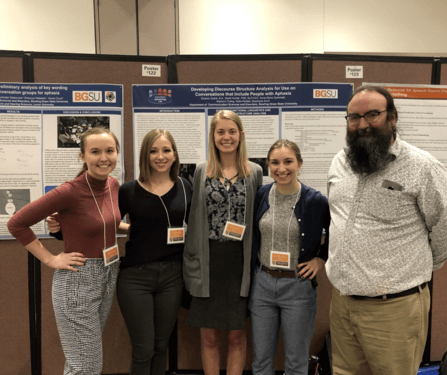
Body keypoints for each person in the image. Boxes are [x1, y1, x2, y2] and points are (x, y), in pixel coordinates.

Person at [326, 85, 447, 375]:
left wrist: (412, 271)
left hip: (394, 309)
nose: (362, 124)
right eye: (354, 117)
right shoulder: (340, 162)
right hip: (343, 304)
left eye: (372, 114)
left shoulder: (422, 168)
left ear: (392, 118)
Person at [48, 129, 192, 375]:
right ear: (144, 156)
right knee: (144, 348)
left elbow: (117, 223)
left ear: (175, 154)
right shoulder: (126, 190)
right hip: (136, 276)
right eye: (153, 151)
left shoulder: (185, 187)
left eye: (166, 150)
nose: (160, 156)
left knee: (161, 346)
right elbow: (100, 220)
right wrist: (58, 231)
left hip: (173, 275)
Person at [8, 127, 124, 375]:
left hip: (108, 274)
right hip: (78, 280)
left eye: (109, 151)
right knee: (86, 365)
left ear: (117, 153)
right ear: (82, 156)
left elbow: (105, 222)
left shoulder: (112, 184)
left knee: (82, 361)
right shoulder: (69, 191)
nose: (104, 157)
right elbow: (16, 223)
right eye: (95, 152)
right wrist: (50, 259)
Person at [183, 110, 263, 375]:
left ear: (241, 135)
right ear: (212, 136)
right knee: (208, 338)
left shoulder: (255, 172)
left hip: (239, 263)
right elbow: (194, 219)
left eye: (232, 131)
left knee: (236, 336)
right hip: (208, 262)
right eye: (220, 132)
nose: (226, 137)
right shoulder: (202, 171)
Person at [249, 139, 330, 375]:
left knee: (295, 362)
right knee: (261, 361)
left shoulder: (315, 201)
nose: (281, 168)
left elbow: (337, 232)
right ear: (268, 165)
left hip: (298, 287)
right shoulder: (261, 194)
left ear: (299, 164)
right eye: (274, 162)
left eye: (288, 162)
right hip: (262, 284)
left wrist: (320, 259)